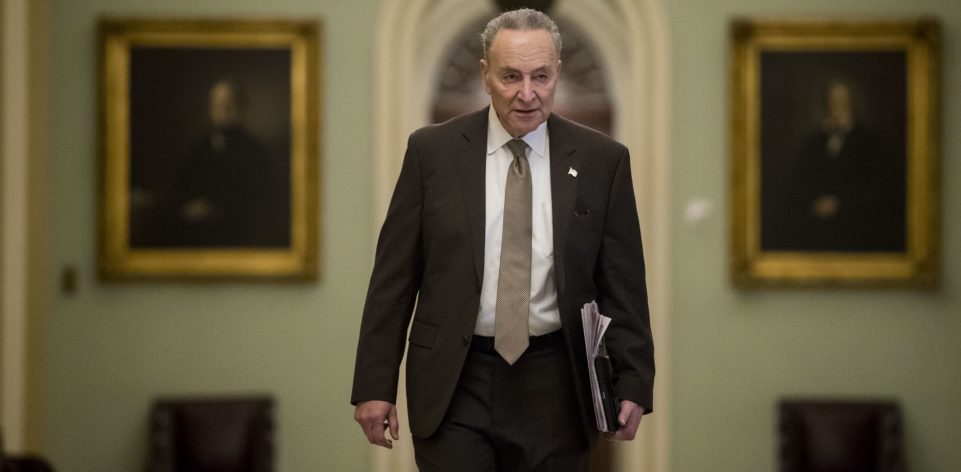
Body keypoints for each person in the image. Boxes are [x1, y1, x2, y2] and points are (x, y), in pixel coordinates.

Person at [351, 8, 655, 471]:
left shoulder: (602, 160)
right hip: (456, 379)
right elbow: (394, 278)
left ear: (557, 74)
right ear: (485, 75)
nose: (527, 94)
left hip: (556, 381)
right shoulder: (432, 152)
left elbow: (623, 283)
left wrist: (633, 380)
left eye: (541, 76)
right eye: (511, 76)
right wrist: (375, 384)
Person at [141, 78, 290, 248]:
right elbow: (180, 186)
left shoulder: (256, 152)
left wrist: (214, 209)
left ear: (241, 107)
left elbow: (257, 201)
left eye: (228, 103)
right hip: (192, 229)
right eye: (217, 104)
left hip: (235, 231)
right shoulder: (199, 149)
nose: (223, 109)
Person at [762, 80, 905, 252]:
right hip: (816, 229)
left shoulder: (868, 142)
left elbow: (875, 187)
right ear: (826, 103)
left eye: (842, 99)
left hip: (856, 229)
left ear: (851, 102)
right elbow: (798, 182)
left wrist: (840, 204)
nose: (837, 104)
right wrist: (814, 203)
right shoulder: (813, 142)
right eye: (833, 99)